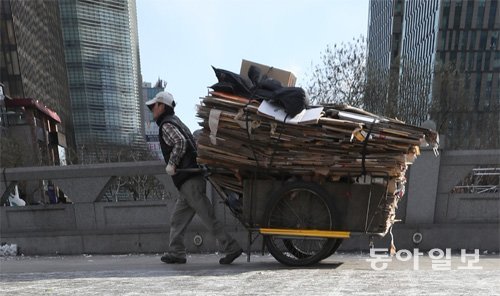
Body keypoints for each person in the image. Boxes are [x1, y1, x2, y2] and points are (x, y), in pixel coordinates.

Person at [146, 91, 243, 265]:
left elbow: (181, 142)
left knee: (207, 217)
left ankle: (232, 247)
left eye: (154, 106)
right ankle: (176, 252)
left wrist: (172, 163)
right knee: (177, 219)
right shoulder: (177, 122)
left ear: (162, 106)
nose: (152, 110)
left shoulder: (166, 124)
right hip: (188, 179)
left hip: (189, 179)